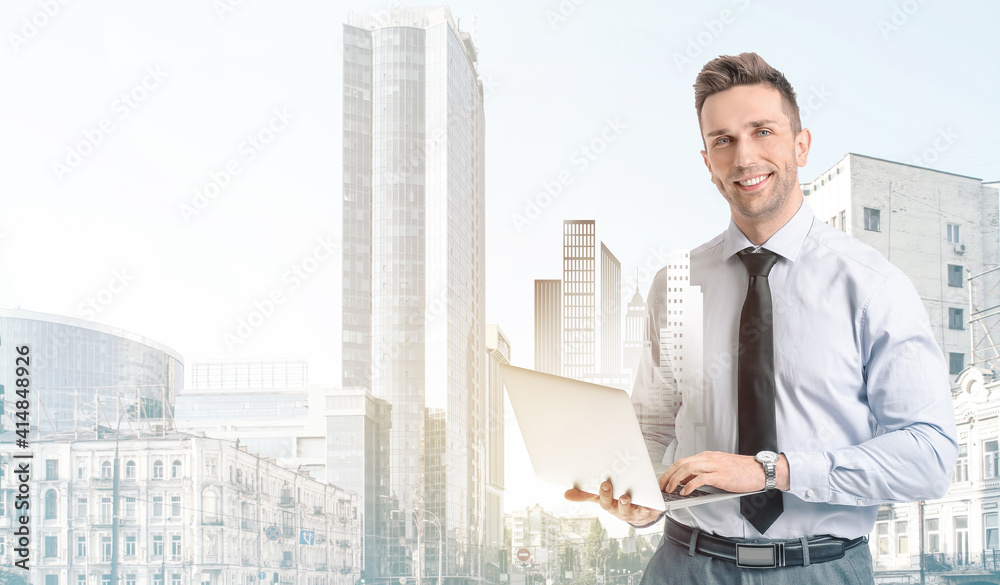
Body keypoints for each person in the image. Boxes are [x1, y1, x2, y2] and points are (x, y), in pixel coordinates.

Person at [565, 52, 958, 583]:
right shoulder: (676, 283)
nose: (744, 157)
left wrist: (772, 471)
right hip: (684, 565)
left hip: (820, 569)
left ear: (801, 145)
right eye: (723, 140)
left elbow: (929, 455)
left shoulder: (872, 285)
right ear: (708, 162)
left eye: (762, 131)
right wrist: (640, 493)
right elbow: (653, 423)